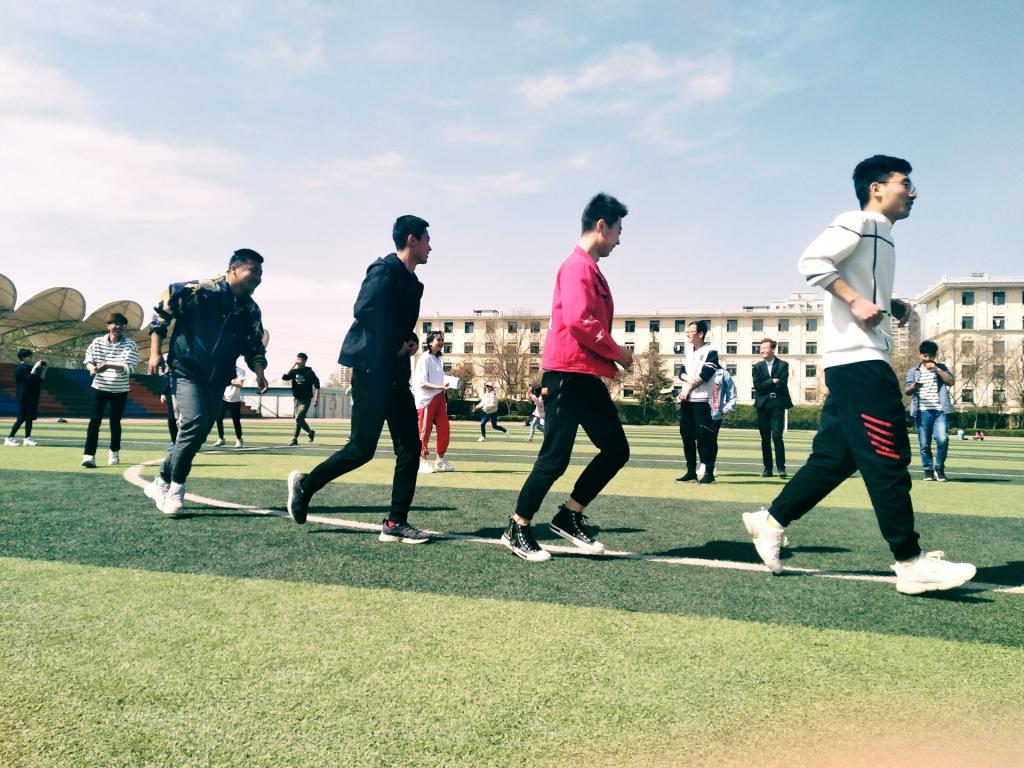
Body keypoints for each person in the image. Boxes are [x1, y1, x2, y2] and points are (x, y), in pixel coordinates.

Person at [742, 154, 975, 595]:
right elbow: (812, 262)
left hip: (859, 361)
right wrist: (854, 300)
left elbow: (860, 284)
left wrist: (890, 303)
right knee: (888, 458)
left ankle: (770, 521)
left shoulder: (882, 234)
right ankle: (909, 562)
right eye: (905, 183)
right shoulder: (858, 221)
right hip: (859, 363)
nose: (914, 192)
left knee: (834, 459)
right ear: (876, 188)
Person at [285, 215, 432, 544]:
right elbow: (364, 309)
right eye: (426, 240)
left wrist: (410, 340)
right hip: (370, 371)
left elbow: (401, 324)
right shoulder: (383, 270)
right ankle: (306, 485)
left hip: (396, 374)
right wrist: (396, 340)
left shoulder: (415, 284)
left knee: (411, 448)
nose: (430, 247)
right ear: (412, 240)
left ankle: (395, 522)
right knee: (361, 449)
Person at [502, 193, 633, 562]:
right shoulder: (577, 267)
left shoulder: (589, 268)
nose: (619, 240)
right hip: (566, 375)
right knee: (555, 458)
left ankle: (569, 514)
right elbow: (579, 320)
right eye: (618, 231)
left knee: (616, 449)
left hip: (585, 375)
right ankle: (517, 526)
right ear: (602, 226)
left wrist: (606, 360)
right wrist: (617, 352)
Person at [144, 249, 269, 515]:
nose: (258, 278)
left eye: (261, 274)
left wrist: (259, 371)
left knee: (197, 433)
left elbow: (254, 345)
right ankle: (176, 488)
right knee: (196, 422)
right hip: (186, 370)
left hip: (219, 378)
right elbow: (160, 316)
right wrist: (155, 353)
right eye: (253, 271)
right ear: (234, 269)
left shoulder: (250, 309)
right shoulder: (198, 291)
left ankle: (161, 481)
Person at [81, 313, 139, 468]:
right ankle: (89, 455)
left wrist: (108, 365)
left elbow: (129, 367)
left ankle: (114, 451)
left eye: (121, 324)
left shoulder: (130, 345)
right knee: (94, 421)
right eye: (115, 323)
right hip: (100, 387)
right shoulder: (97, 342)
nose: (118, 326)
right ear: (108, 325)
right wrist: (92, 368)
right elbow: (88, 360)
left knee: (115, 422)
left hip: (120, 389)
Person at [675, 320, 721, 484]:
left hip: (702, 400)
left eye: (690, 332)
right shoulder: (689, 352)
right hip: (687, 401)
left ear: (701, 334)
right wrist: (687, 380)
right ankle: (691, 472)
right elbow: (681, 372)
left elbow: (706, 373)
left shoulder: (711, 350)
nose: (687, 334)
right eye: (687, 332)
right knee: (686, 435)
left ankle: (709, 473)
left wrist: (687, 389)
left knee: (704, 436)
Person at [904, 339, 954, 482]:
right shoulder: (914, 371)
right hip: (922, 411)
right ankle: (928, 471)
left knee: (942, 440)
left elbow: (951, 382)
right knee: (924, 444)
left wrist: (937, 370)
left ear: (935, 356)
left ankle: (939, 469)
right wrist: (914, 386)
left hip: (940, 411)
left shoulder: (941, 367)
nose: (928, 359)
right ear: (920, 355)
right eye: (925, 356)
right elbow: (907, 391)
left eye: (931, 356)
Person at [752, 338, 794, 478]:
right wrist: (772, 381)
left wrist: (768, 384)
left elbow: (782, 385)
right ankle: (767, 469)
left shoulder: (783, 365)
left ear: (773, 349)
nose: (762, 351)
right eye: (761, 348)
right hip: (762, 405)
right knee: (765, 438)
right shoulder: (757, 367)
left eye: (765, 348)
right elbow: (758, 387)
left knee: (777, 436)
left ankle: (781, 468)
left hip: (778, 404)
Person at [414, 330, 453, 473]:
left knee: (444, 429)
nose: (442, 342)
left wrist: (447, 384)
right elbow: (422, 382)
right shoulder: (424, 358)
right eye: (439, 340)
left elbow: (438, 379)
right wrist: (440, 387)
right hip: (427, 400)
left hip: (440, 398)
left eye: (442, 340)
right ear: (430, 342)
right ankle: (422, 461)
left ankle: (439, 461)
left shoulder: (437, 359)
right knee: (424, 431)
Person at [5, 348, 46, 447]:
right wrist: (35, 368)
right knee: (22, 417)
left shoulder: (29, 368)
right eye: (29, 356)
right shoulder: (19, 369)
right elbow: (28, 379)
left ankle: (27, 438)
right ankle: (9, 438)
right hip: (24, 396)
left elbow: (40, 381)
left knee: (29, 418)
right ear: (23, 357)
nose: (31, 358)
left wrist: (45, 369)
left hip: (32, 396)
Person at [283, 353, 320, 446]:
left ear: (304, 361)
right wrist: (293, 365)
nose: (298, 361)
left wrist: (316, 399)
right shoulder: (294, 371)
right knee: (299, 419)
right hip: (296, 399)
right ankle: (310, 432)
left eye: (300, 359)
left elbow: (317, 386)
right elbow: (284, 377)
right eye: (297, 359)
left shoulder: (309, 372)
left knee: (298, 418)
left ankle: (294, 438)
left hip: (306, 399)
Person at [214, 364, 246, 448]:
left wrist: (230, 382)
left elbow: (240, 384)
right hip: (224, 399)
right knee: (218, 418)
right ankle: (221, 438)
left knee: (236, 421)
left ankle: (239, 439)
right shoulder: (223, 370)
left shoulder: (240, 371)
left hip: (235, 400)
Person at [157, 355, 178, 451]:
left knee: (183, 421)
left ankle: (185, 442)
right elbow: (169, 383)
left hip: (183, 395)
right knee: (171, 420)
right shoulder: (169, 372)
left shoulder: (181, 369)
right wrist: (164, 393)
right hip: (172, 396)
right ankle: (175, 442)